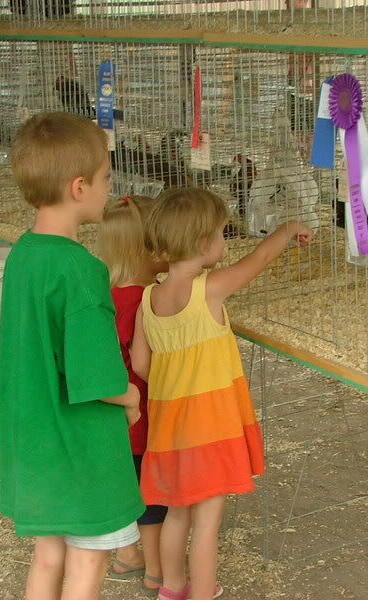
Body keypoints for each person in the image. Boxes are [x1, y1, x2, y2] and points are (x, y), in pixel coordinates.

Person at [131, 187, 313, 600]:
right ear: (202, 243)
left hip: (170, 429)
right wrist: (288, 228)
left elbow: (140, 364)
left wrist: (176, 380)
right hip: (210, 429)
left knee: (177, 512)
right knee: (207, 522)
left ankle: (171, 589)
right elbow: (259, 259)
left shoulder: (148, 298)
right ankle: (203, 593)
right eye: (220, 233)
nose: (224, 241)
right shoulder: (208, 289)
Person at [0, 112, 144, 600]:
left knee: (48, 556)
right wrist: (130, 398)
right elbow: (97, 378)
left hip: (35, 444)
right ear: (79, 187)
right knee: (87, 565)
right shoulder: (81, 270)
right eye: (105, 178)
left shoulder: (22, 256)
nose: (109, 188)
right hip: (79, 449)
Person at [98, 194, 168, 597]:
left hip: (114, 414)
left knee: (127, 483)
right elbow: (144, 364)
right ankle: (157, 571)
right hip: (142, 413)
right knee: (152, 494)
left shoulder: (106, 292)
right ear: (147, 248)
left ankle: (127, 554)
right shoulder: (143, 299)